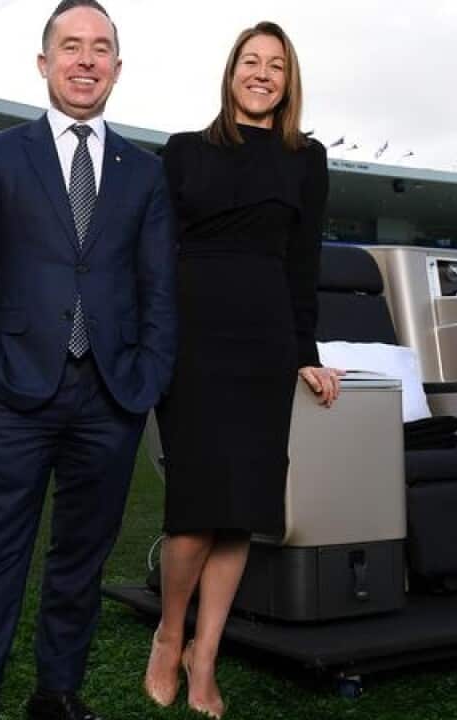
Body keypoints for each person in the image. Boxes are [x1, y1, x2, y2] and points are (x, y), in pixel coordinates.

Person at [0, 1, 178, 718]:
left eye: (100, 48)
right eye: (70, 47)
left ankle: (57, 693)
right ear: (44, 63)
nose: (85, 60)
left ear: (116, 68)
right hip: (18, 390)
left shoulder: (144, 171)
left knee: (81, 561)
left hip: (110, 396)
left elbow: (159, 283)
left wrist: (146, 375)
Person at [144, 21, 340, 718]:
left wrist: (305, 354)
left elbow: (303, 265)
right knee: (196, 511)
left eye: (276, 66)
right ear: (231, 73)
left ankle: (207, 656)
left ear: (289, 82)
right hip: (191, 339)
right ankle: (170, 634)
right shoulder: (182, 152)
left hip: (264, 343)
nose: (262, 74)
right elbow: (155, 254)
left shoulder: (306, 159)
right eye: (251, 62)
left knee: (241, 515)